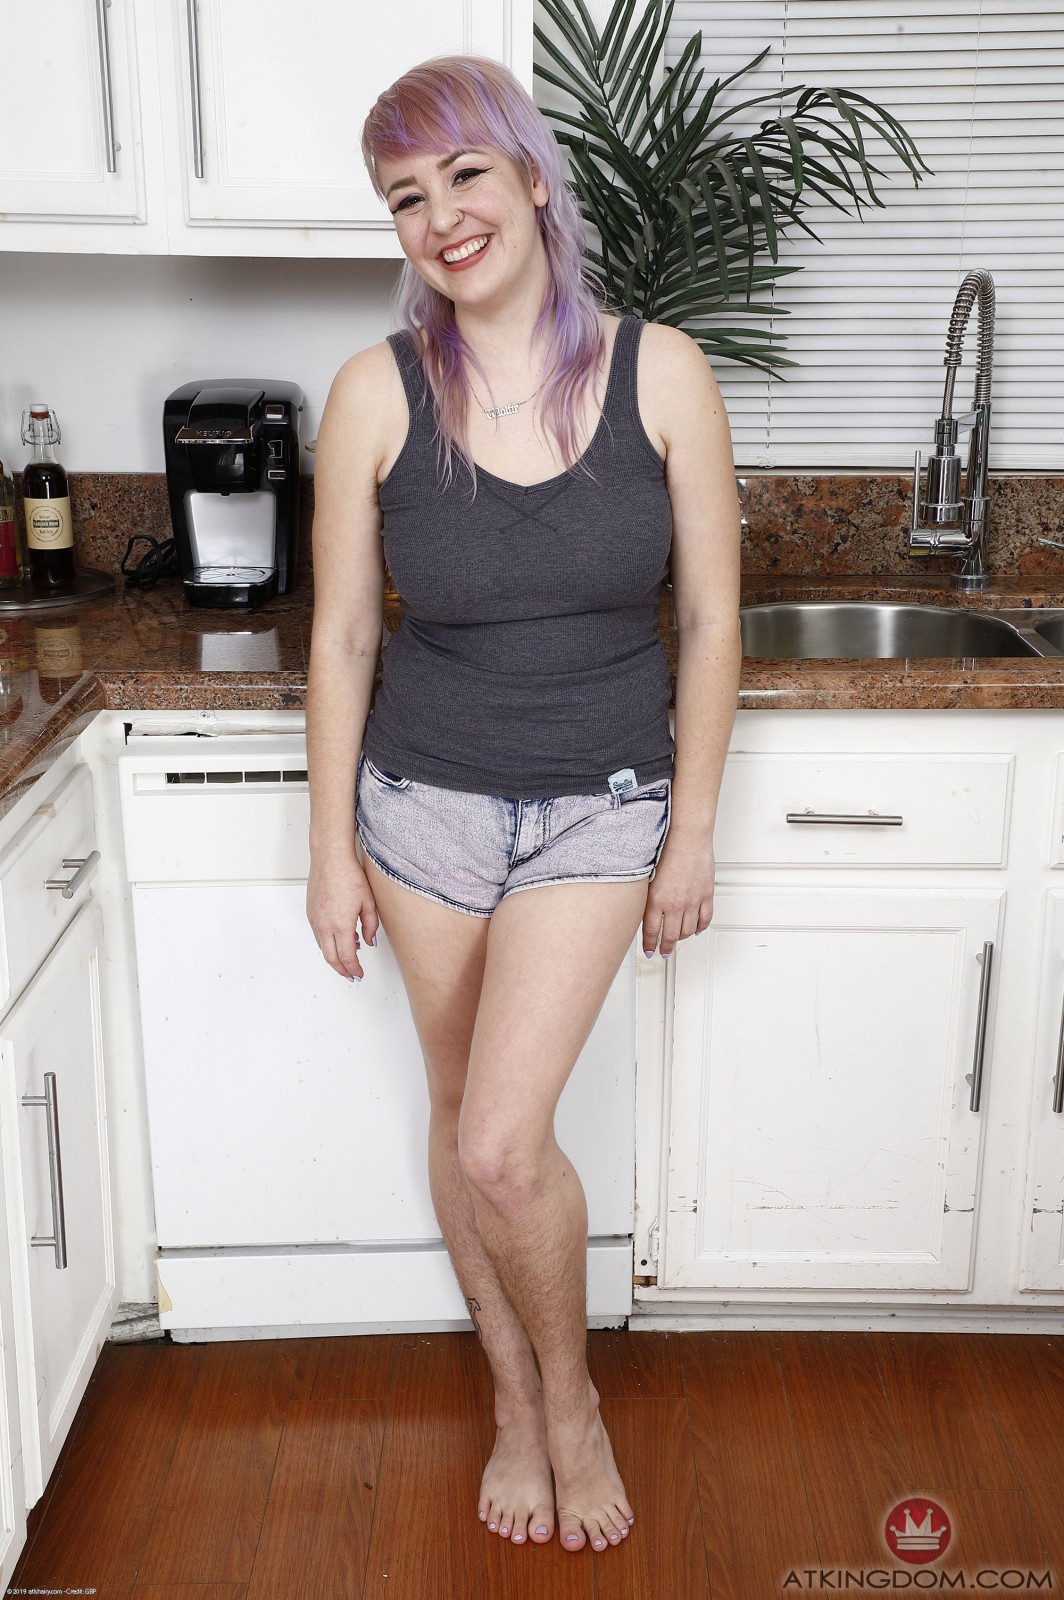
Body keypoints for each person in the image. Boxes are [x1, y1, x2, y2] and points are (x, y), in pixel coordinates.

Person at [305, 54, 740, 1555]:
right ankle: (510, 1393)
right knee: (458, 1116)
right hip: (420, 802)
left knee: (501, 1139)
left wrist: (692, 834)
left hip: (601, 802)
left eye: (464, 175)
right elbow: (343, 638)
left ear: (534, 178)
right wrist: (329, 853)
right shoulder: (373, 391)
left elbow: (714, 622)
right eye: (404, 198)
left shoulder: (661, 372)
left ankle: (573, 1403)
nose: (439, 217)